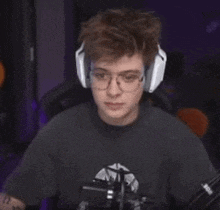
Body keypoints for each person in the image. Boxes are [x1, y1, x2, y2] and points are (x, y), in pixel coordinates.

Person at [0, 7, 218, 210]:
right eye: (102, 75)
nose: (113, 91)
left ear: (149, 77)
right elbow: (16, 198)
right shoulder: (58, 133)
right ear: (87, 73)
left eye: (128, 77)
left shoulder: (177, 139)